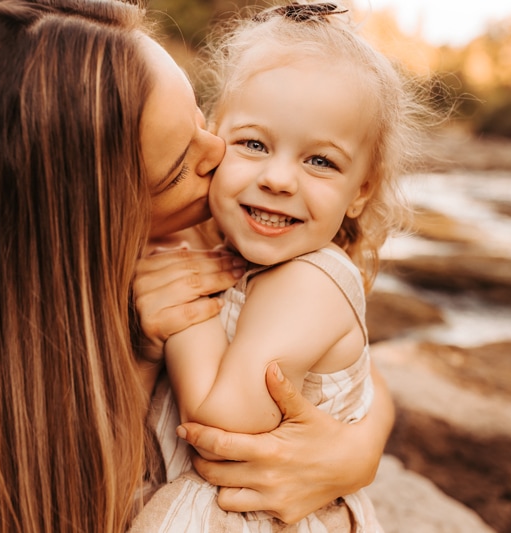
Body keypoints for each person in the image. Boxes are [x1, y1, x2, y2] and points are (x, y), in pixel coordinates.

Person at [0, 0, 394, 531]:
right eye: (180, 168)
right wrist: (145, 352)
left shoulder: (229, 239)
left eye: (204, 122)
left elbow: (340, 359)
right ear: (86, 224)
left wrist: (357, 447)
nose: (220, 156)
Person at [130, 1, 422, 530]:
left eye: (320, 160)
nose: (279, 179)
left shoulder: (310, 279)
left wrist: (183, 310)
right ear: (216, 135)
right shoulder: (220, 245)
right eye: (254, 143)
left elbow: (223, 426)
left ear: (361, 191)